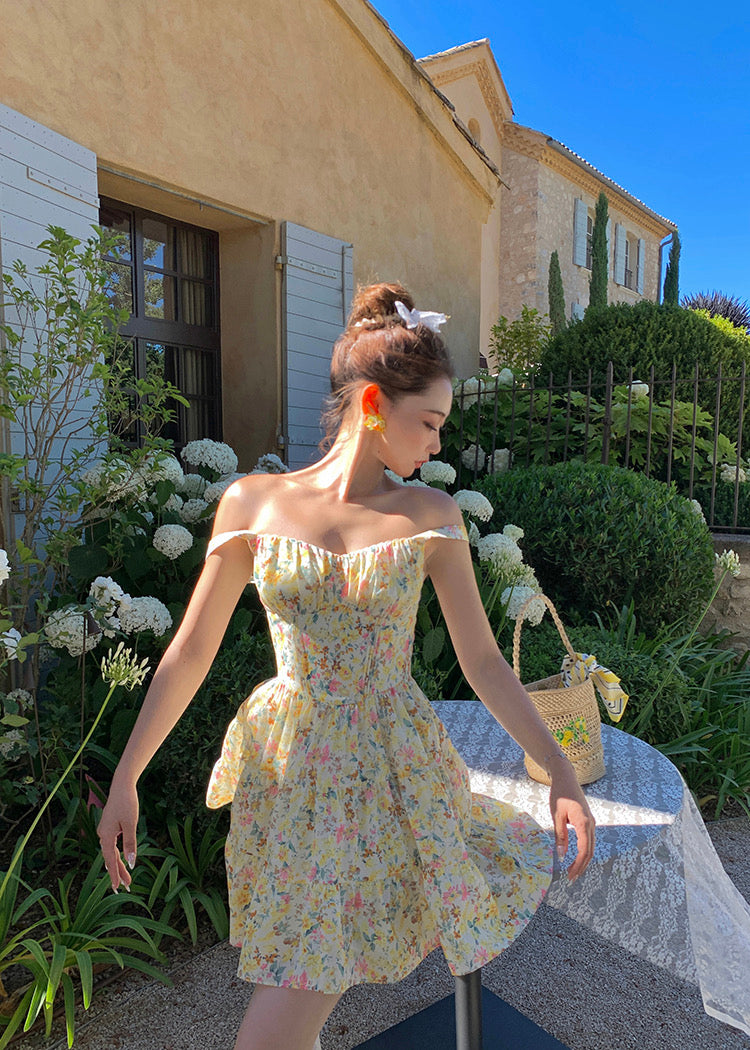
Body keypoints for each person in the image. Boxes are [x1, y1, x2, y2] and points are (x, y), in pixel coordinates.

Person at [98, 282, 595, 1050]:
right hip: (288, 777)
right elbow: (191, 649)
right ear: (373, 404)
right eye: (429, 423)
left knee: (280, 1020)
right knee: (296, 993)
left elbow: (482, 659)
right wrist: (127, 774)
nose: (437, 446)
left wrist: (558, 767)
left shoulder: (431, 516)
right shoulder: (251, 502)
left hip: (386, 776)